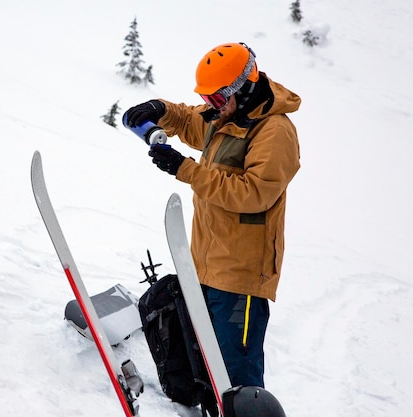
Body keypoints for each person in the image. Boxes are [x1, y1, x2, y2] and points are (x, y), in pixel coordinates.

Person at [124, 42, 300, 389]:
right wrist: (159, 110)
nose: (211, 107)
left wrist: (185, 169)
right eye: (209, 99)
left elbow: (253, 194)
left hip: (241, 276)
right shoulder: (230, 117)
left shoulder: (274, 131)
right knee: (201, 364)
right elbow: (191, 120)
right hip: (205, 265)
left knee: (236, 374)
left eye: (217, 99)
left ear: (244, 88)